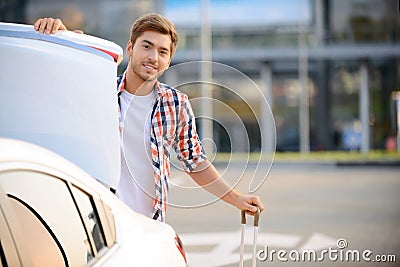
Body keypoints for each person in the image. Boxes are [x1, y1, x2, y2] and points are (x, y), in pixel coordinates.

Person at [34, 14, 264, 222]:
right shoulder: (99, 91)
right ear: (130, 48)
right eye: (147, 46)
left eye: (162, 52)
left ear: (168, 59)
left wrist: (236, 199)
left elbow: (195, 162)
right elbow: (58, 91)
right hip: (99, 221)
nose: (153, 57)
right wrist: (64, 40)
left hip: (148, 225)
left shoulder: (176, 104)